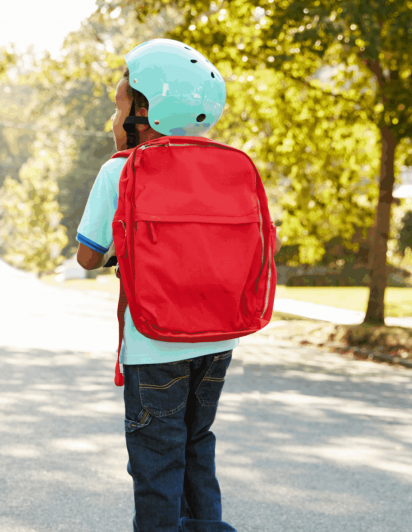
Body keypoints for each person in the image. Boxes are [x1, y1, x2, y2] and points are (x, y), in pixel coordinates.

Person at [75, 40, 279, 532]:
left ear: (146, 111)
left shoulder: (120, 170)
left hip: (154, 344)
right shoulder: (230, 167)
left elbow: (87, 256)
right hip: (219, 339)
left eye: (119, 103)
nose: (113, 113)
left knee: (156, 463)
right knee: (195, 446)